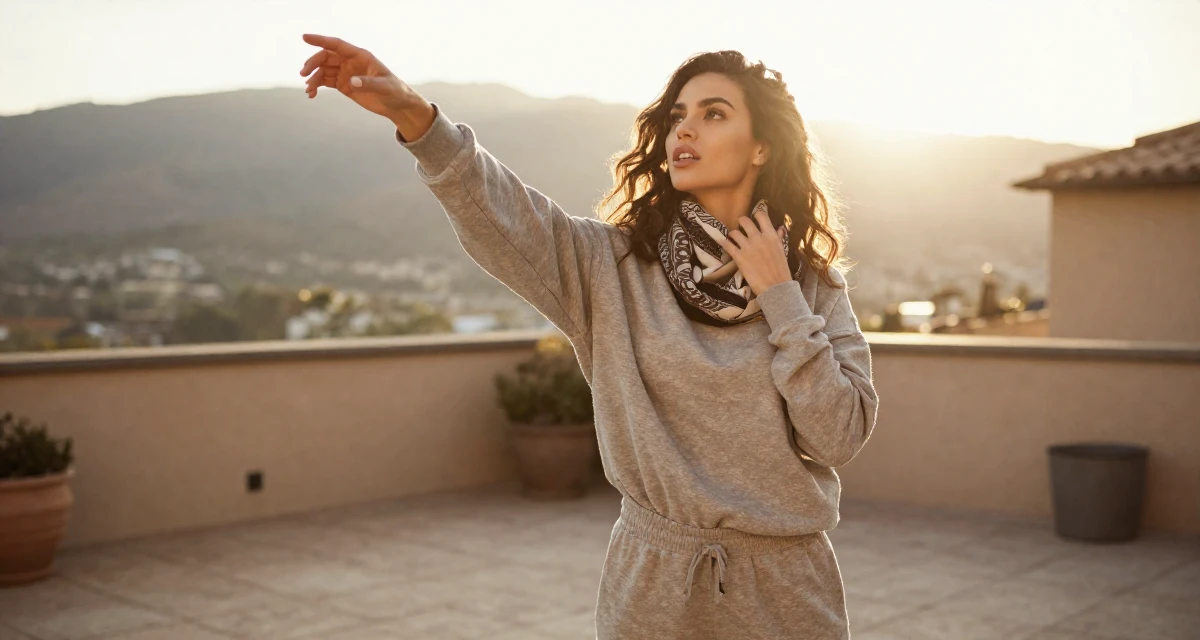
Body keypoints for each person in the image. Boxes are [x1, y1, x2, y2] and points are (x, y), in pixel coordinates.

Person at [300, 33, 879, 640]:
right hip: (656, 583)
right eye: (678, 115)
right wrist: (416, 116)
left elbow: (838, 435)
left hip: (786, 590)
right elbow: (507, 215)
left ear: (762, 146)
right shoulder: (613, 267)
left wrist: (780, 296)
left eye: (714, 114)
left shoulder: (812, 287)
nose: (685, 130)